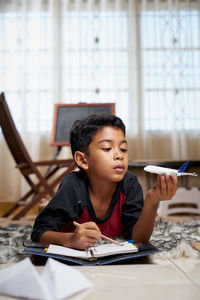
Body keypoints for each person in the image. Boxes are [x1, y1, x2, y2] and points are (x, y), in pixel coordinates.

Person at [31, 114, 178, 250]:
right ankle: (45, 205)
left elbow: (138, 239)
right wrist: (71, 239)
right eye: (107, 148)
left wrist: (152, 201)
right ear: (83, 160)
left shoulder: (130, 183)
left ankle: (46, 204)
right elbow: (39, 233)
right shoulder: (73, 186)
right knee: (48, 214)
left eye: (123, 148)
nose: (119, 155)